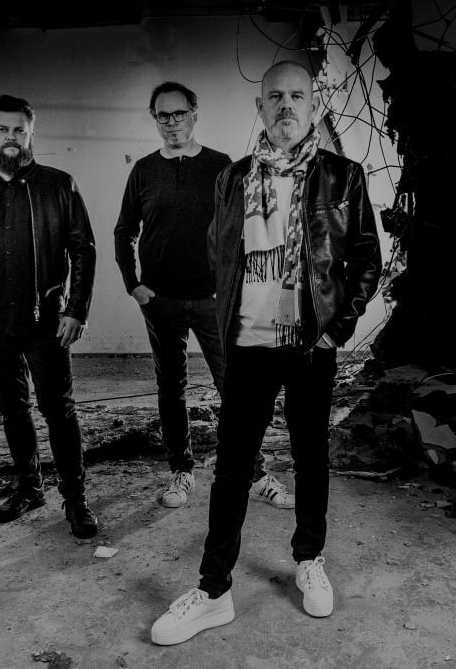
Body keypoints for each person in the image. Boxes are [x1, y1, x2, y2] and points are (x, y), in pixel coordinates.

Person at [150, 61, 382, 645]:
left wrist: (335, 329)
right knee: (232, 467)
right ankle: (213, 591)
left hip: (309, 343)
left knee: (310, 456)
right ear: (259, 107)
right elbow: (218, 251)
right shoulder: (232, 178)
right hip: (247, 344)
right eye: (274, 97)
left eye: (297, 96)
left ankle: (309, 559)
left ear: (314, 106)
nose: (286, 106)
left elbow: (365, 258)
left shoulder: (343, 176)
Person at [113, 81, 292, 510]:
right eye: (163, 115)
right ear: (155, 119)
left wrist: (244, 287)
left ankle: (254, 473)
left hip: (216, 299)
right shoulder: (144, 170)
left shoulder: (220, 165)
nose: (171, 122)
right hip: (161, 300)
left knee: (235, 386)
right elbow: (124, 230)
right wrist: (133, 284)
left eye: (179, 113)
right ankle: (181, 470)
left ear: (194, 114)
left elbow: (246, 227)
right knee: (170, 388)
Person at [0, 94, 100, 539]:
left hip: (46, 321)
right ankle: (30, 488)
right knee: (12, 410)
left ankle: (75, 498)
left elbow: (83, 250)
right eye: (3, 130)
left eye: (19, 130)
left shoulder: (59, 184)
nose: (11, 138)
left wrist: (76, 309)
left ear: (31, 134)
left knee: (59, 410)